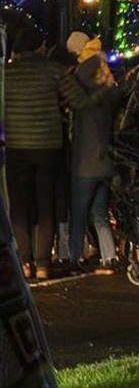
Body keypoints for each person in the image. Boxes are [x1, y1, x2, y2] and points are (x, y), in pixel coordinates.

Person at [4, 32, 73, 278]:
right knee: (46, 205)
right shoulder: (55, 71)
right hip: (48, 147)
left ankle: (24, 261)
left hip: (16, 146)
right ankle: (43, 263)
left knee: (19, 206)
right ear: (40, 47)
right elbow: (77, 99)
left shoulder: (6, 75)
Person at [66, 54, 131, 273]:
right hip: (105, 163)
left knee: (79, 213)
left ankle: (75, 257)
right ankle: (109, 255)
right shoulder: (110, 97)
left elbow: (79, 78)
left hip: (84, 165)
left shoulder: (83, 101)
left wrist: (88, 64)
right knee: (100, 214)